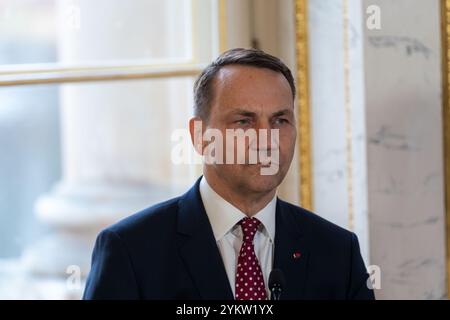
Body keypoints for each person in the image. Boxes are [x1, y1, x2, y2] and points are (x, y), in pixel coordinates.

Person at [83, 48, 375, 300]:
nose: (266, 140)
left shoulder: (338, 252)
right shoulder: (131, 251)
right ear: (199, 136)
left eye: (280, 120)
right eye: (244, 121)